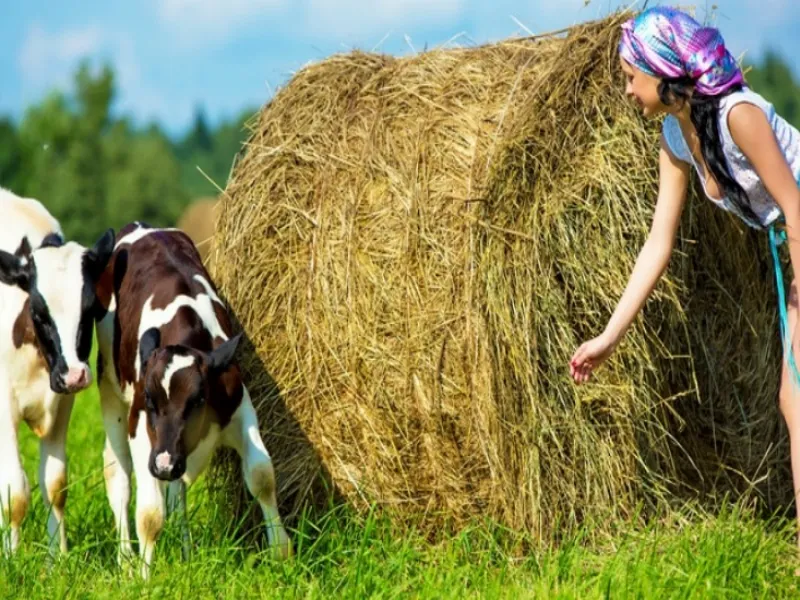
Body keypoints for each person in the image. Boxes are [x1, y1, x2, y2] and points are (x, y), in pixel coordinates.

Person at [569, 6, 800, 548]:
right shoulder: (677, 138)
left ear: (662, 69)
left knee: (798, 395)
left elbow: (794, 207)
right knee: (794, 399)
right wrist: (608, 337)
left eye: (631, 76)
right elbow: (658, 242)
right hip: (790, 243)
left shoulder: (737, 114)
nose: (627, 90)